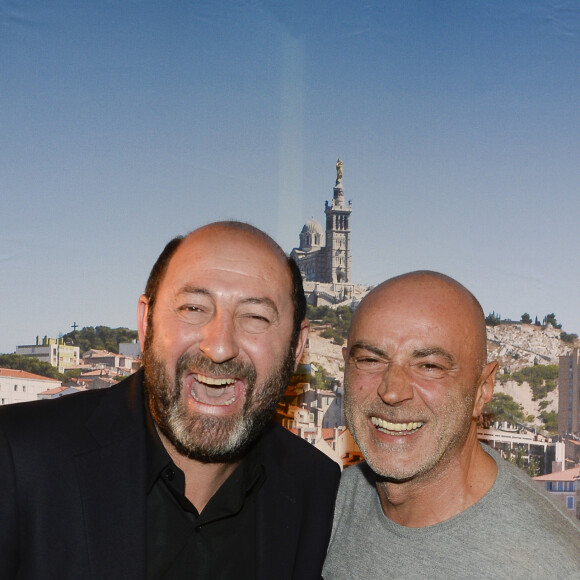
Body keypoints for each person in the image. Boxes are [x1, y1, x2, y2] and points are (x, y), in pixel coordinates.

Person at [0, 221, 340, 580]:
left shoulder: (315, 487)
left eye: (255, 316)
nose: (220, 346)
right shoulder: (18, 457)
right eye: (193, 308)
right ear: (146, 323)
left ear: (297, 346)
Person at [322, 271, 580, 579]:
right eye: (369, 360)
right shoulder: (323, 506)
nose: (391, 391)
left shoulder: (545, 564)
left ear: (483, 388)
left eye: (429, 366)